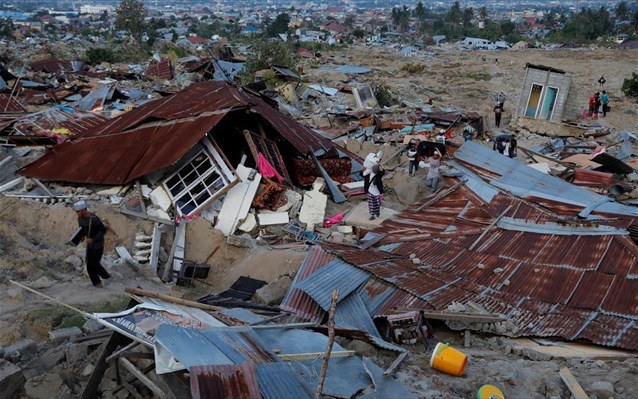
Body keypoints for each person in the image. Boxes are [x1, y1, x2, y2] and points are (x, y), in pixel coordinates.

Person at [72, 200, 111, 287]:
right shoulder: (80, 219)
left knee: (94, 263)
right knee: (89, 265)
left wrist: (93, 239)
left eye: (78, 211)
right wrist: (81, 237)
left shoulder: (94, 219)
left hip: (98, 244)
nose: (77, 213)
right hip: (90, 245)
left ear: (84, 210)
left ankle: (108, 278)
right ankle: (97, 284)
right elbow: (82, 229)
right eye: (76, 211)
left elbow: (103, 231)